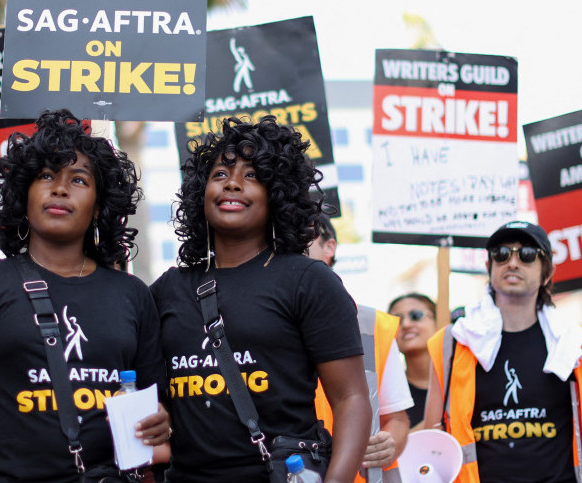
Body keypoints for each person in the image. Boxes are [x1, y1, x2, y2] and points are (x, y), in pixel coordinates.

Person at [0, 109, 170, 481]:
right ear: (23, 196)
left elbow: (156, 415)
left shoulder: (133, 296)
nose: (59, 188)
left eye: (78, 180)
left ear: (99, 206)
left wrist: (160, 425)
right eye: (46, 176)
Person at [152, 116, 370, 483]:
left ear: (278, 195)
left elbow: (351, 399)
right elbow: (150, 395)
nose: (233, 183)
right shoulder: (167, 289)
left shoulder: (309, 281)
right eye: (220, 174)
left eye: (252, 176)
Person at [422, 221, 582, 483]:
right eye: (502, 254)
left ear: (547, 274)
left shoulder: (577, 344)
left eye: (527, 255)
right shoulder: (453, 342)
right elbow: (433, 444)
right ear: (489, 267)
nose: (513, 263)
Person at [308, 213, 412, 481]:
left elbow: (396, 419)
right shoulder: (259, 320)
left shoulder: (372, 325)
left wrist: (390, 445)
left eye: (303, 235)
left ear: (329, 247)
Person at [387, 293, 440, 429]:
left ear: (439, 322)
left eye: (416, 315)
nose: (406, 324)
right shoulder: (388, 393)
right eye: (397, 320)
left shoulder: (462, 380)